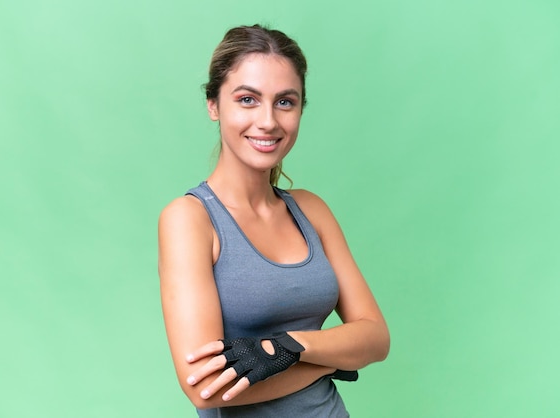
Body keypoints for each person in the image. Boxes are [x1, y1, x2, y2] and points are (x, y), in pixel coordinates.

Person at [158, 24, 390, 417]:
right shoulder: (190, 219)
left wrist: (290, 347)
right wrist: (332, 359)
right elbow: (207, 389)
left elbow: (375, 337)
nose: (268, 121)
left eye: (285, 102)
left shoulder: (310, 209)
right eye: (247, 99)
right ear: (214, 105)